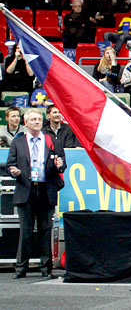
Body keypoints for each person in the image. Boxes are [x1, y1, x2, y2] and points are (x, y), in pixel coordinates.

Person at [7, 109, 66, 279]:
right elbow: (10, 165)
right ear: (26, 123)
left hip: (45, 189)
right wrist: (14, 171)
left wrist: (59, 164)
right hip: (26, 189)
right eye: (33, 119)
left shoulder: (52, 141)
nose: (37, 122)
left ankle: (46, 268)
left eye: (39, 119)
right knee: (25, 231)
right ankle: (21, 268)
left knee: (45, 230)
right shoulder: (18, 143)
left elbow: (62, 165)